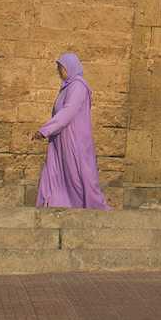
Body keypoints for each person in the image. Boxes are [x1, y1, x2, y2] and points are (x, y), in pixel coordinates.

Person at [33, 53, 109, 208]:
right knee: (55, 171)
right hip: (61, 139)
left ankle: (90, 206)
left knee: (78, 175)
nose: (58, 71)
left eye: (60, 68)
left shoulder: (78, 86)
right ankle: (53, 202)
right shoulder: (67, 87)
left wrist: (45, 130)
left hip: (74, 140)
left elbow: (68, 112)